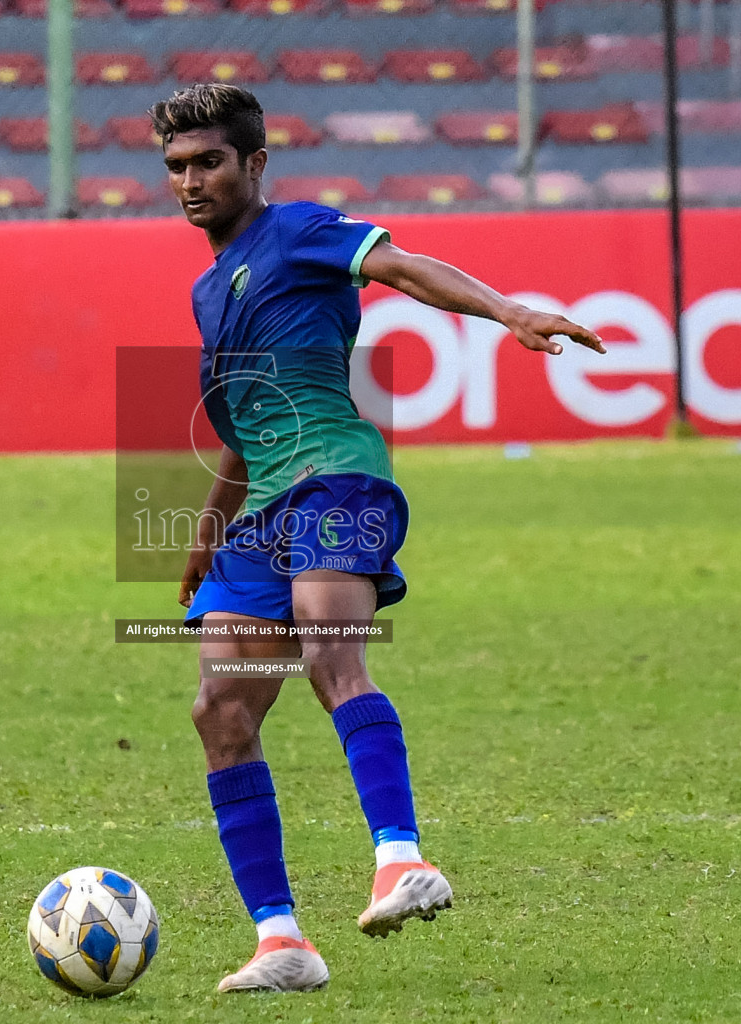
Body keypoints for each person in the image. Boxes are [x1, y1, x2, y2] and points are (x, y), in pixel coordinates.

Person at [152, 83, 606, 994]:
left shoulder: (304, 230)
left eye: (209, 162)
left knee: (331, 658)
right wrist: (207, 527)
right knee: (220, 713)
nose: (192, 181)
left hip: (339, 479)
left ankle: (402, 859)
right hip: (262, 511)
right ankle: (283, 942)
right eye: (176, 167)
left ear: (254, 164)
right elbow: (244, 419)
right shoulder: (209, 289)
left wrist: (509, 310)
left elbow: (401, 266)